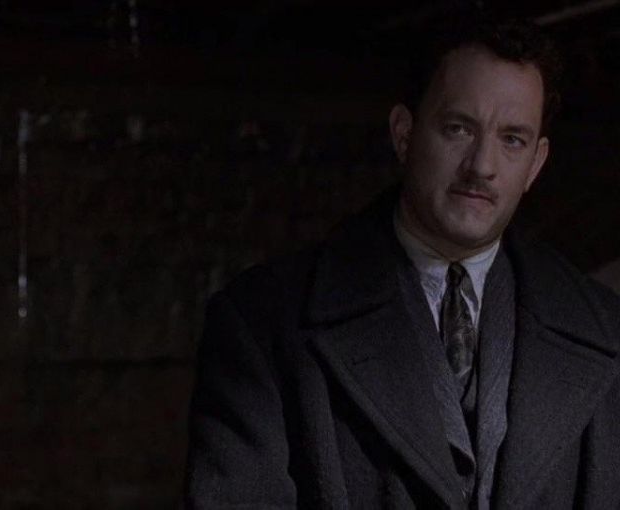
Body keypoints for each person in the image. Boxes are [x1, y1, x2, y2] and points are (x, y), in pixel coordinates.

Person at [184, 17, 620, 510]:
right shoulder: (260, 323)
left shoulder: (606, 333)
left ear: (536, 164)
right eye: (458, 128)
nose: (482, 166)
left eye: (512, 139)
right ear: (404, 133)